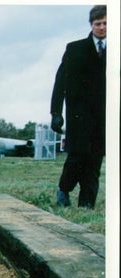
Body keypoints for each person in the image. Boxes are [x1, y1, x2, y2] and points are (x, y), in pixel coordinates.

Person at [50, 4, 106, 208]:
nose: (102, 27)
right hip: (78, 116)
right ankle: (64, 189)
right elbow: (60, 82)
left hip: (103, 118)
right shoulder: (75, 49)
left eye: (106, 23)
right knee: (77, 156)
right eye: (98, 23)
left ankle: (87, 203)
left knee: (94, 161)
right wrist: (55, 113)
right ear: (91, 25)